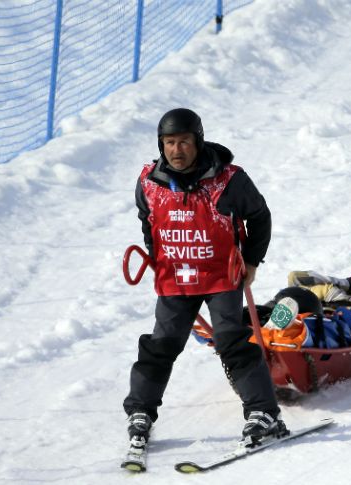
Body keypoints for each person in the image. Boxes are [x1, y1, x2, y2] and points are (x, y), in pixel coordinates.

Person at [123, 108, 288, 452]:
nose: (176, 150)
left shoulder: (228, 180)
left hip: (220, 276)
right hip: (175, 278)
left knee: (231, 342)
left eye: (184, 142)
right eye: (169, 143)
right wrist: (157, 254)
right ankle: (140, 411)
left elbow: (259, 216)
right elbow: (147, 219)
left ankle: (264, 413)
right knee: (161, 344)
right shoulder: (149, 182)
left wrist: (252, 261)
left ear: (197, 141)